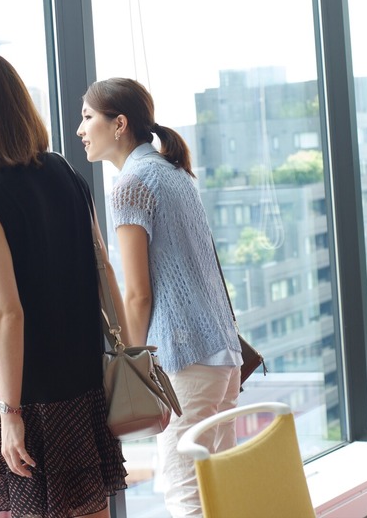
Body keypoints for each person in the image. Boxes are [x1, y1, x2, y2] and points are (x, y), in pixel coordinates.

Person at [0, 50, 127, 518]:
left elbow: (8, 312)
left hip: (36, 400)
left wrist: (10, 413)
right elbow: (103, 267)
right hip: (85, 388)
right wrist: (127, 357)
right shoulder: (64, 169)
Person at [78, 77, 242, 518]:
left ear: (119, 124)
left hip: (185, 360)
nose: (80, 129)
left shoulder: (131, 184)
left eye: (88, 116)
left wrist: (129, 369)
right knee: (220, 495)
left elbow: (136, 294)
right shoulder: (173, 172)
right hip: (221, 357)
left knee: (187, 498)